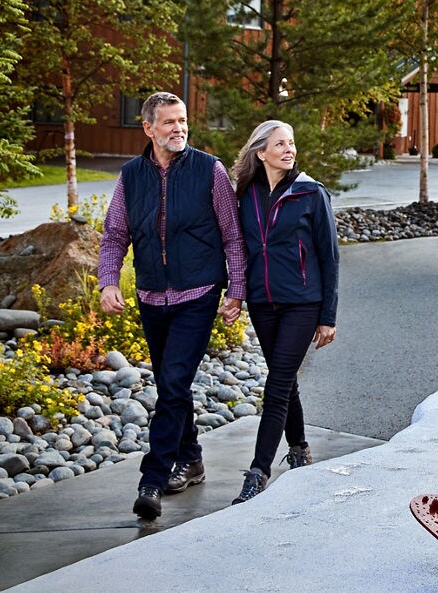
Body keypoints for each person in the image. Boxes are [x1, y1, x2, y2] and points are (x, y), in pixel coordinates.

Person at [97, 91, 247, 520]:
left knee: (175, 381)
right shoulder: (131, 176)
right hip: (150, 295)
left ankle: (153, 478)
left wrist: (235, 288)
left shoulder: (209, 171)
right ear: (148, 128)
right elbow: (114, 235)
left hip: (197, 292)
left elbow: (232, 235)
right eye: (168, 122)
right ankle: (192, 457)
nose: (178, 128)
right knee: (170, 386)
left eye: (182, 121)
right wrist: (109, 281)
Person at [229, 119, 339, 504]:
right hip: (263, 302)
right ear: (261, 152)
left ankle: (258, 472)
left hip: (302, 302)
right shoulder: (247, 193)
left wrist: (328, 316)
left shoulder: (311, 193)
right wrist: (237, 294)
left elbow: (329, 256)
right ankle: (300, 449)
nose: (289, 149)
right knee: (284, 378)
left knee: (275, 385)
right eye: (280, 144)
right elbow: (239, 249)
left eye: (291, 143)